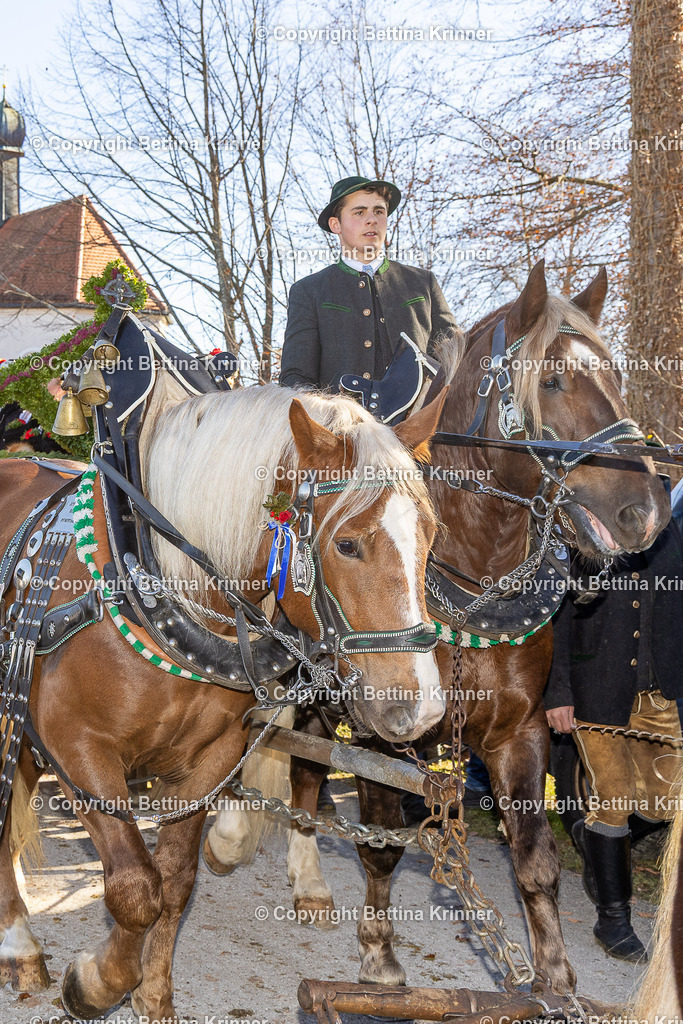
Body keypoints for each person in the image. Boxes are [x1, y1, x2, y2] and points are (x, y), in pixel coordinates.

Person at [544, 512, 683, 963]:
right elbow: (560, 615)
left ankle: (599, 837)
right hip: (596, 694)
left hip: (660, 695)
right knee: (614, 797)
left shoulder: (668, 528)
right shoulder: (584, 525)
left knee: (667, 803)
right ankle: (613, 919)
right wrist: (558, 692)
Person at [279, 175, 458, 391]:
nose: (372, 219)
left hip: (421, 421)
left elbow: (455, 359)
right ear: (336, 224)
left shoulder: (423, 283)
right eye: (359, 212)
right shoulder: (309, 291)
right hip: (342, 423)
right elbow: (296, 380)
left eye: (379, 212)